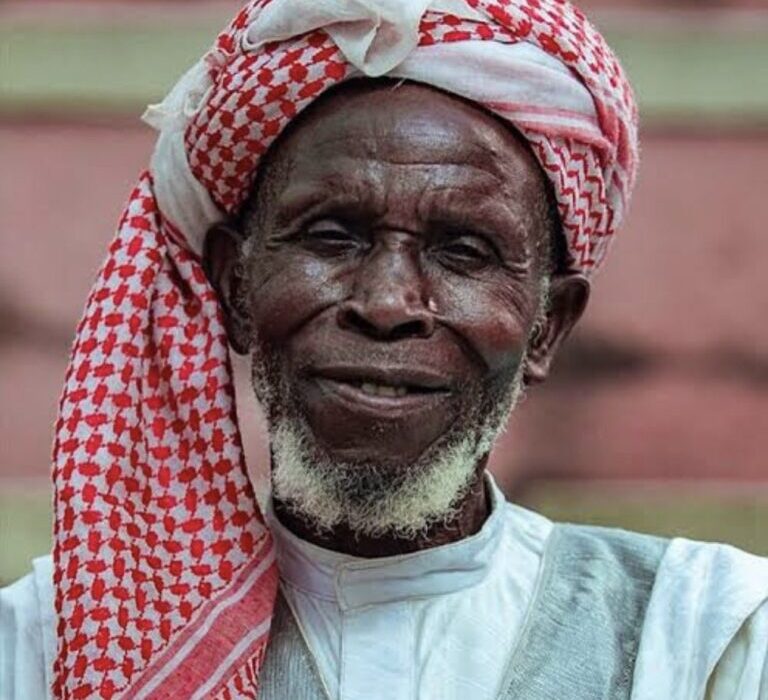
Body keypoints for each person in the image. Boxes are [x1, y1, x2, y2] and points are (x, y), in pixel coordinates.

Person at [2, 0, 767, 698]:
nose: (388, 304)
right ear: (236, 288)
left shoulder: (707, 638)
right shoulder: (39, 648)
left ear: (547, 327)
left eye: (463, 250)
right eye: (333, 236)